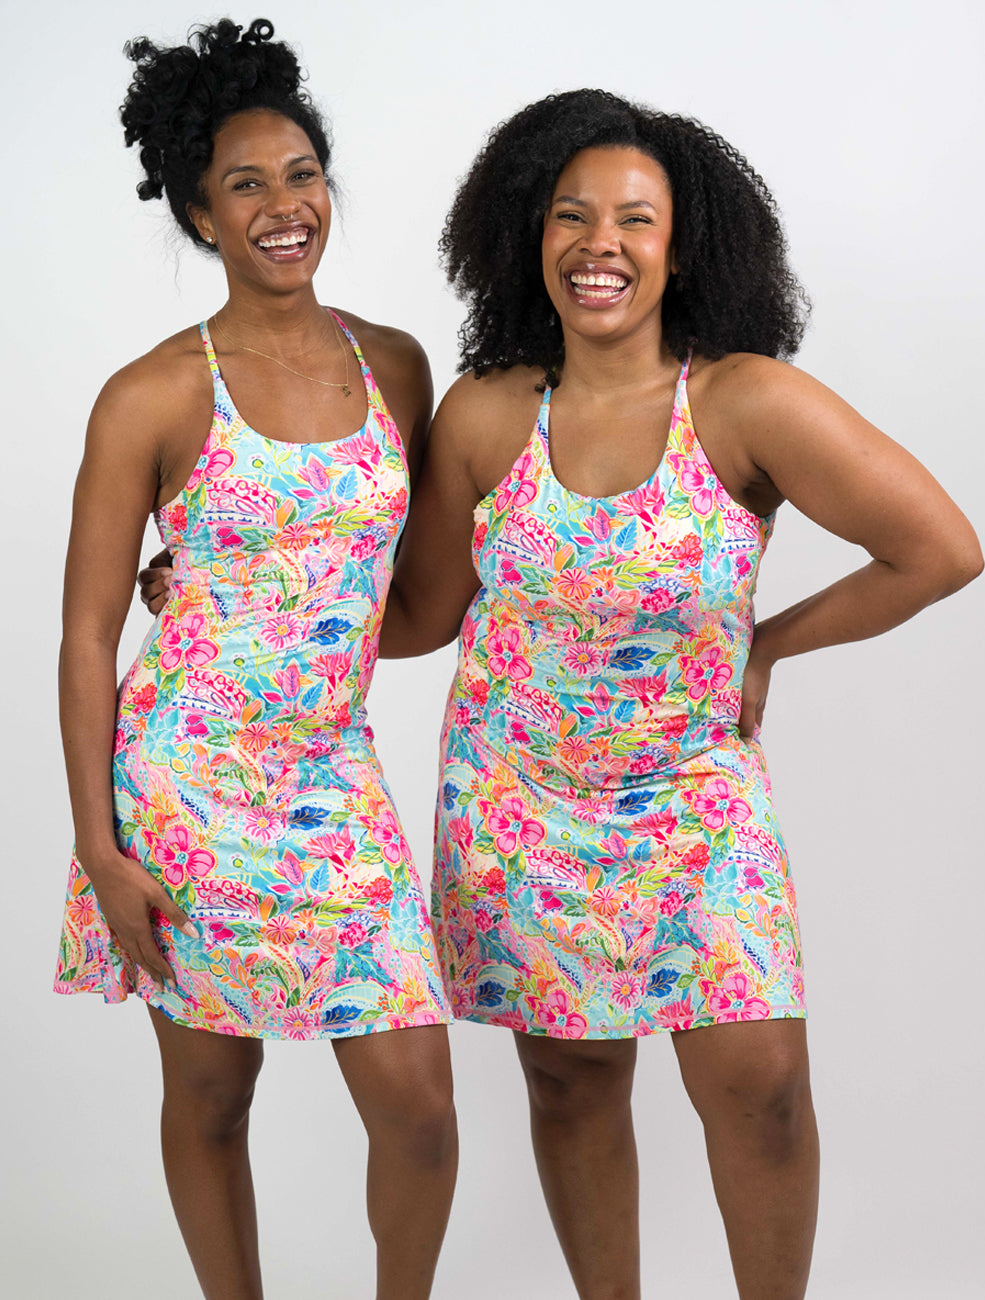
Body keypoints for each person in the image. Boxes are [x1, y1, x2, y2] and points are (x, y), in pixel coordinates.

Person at [138, 90, 983, 1297]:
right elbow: (415, 614)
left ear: (683, 245)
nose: (601, 244)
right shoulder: (488, 413)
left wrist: (765, 645)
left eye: (635, 219)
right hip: (517, 805)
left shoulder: (744, 401)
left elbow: (939, 551)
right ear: (528, 236)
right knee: (572, 1084)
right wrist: (239, 589)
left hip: (693, 800)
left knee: (762, 1087)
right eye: (571, 215)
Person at [55, 20, 456, 1300]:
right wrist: (100, 849)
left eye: (302, 175)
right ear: (199, 214)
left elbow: (403, 597)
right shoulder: (153, 393)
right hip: (186, 784)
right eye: (247, 185)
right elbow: (85, 634)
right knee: (212, 1091)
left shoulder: (395, 366)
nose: (286, 207)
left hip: (333, 778)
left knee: (420, 1111)